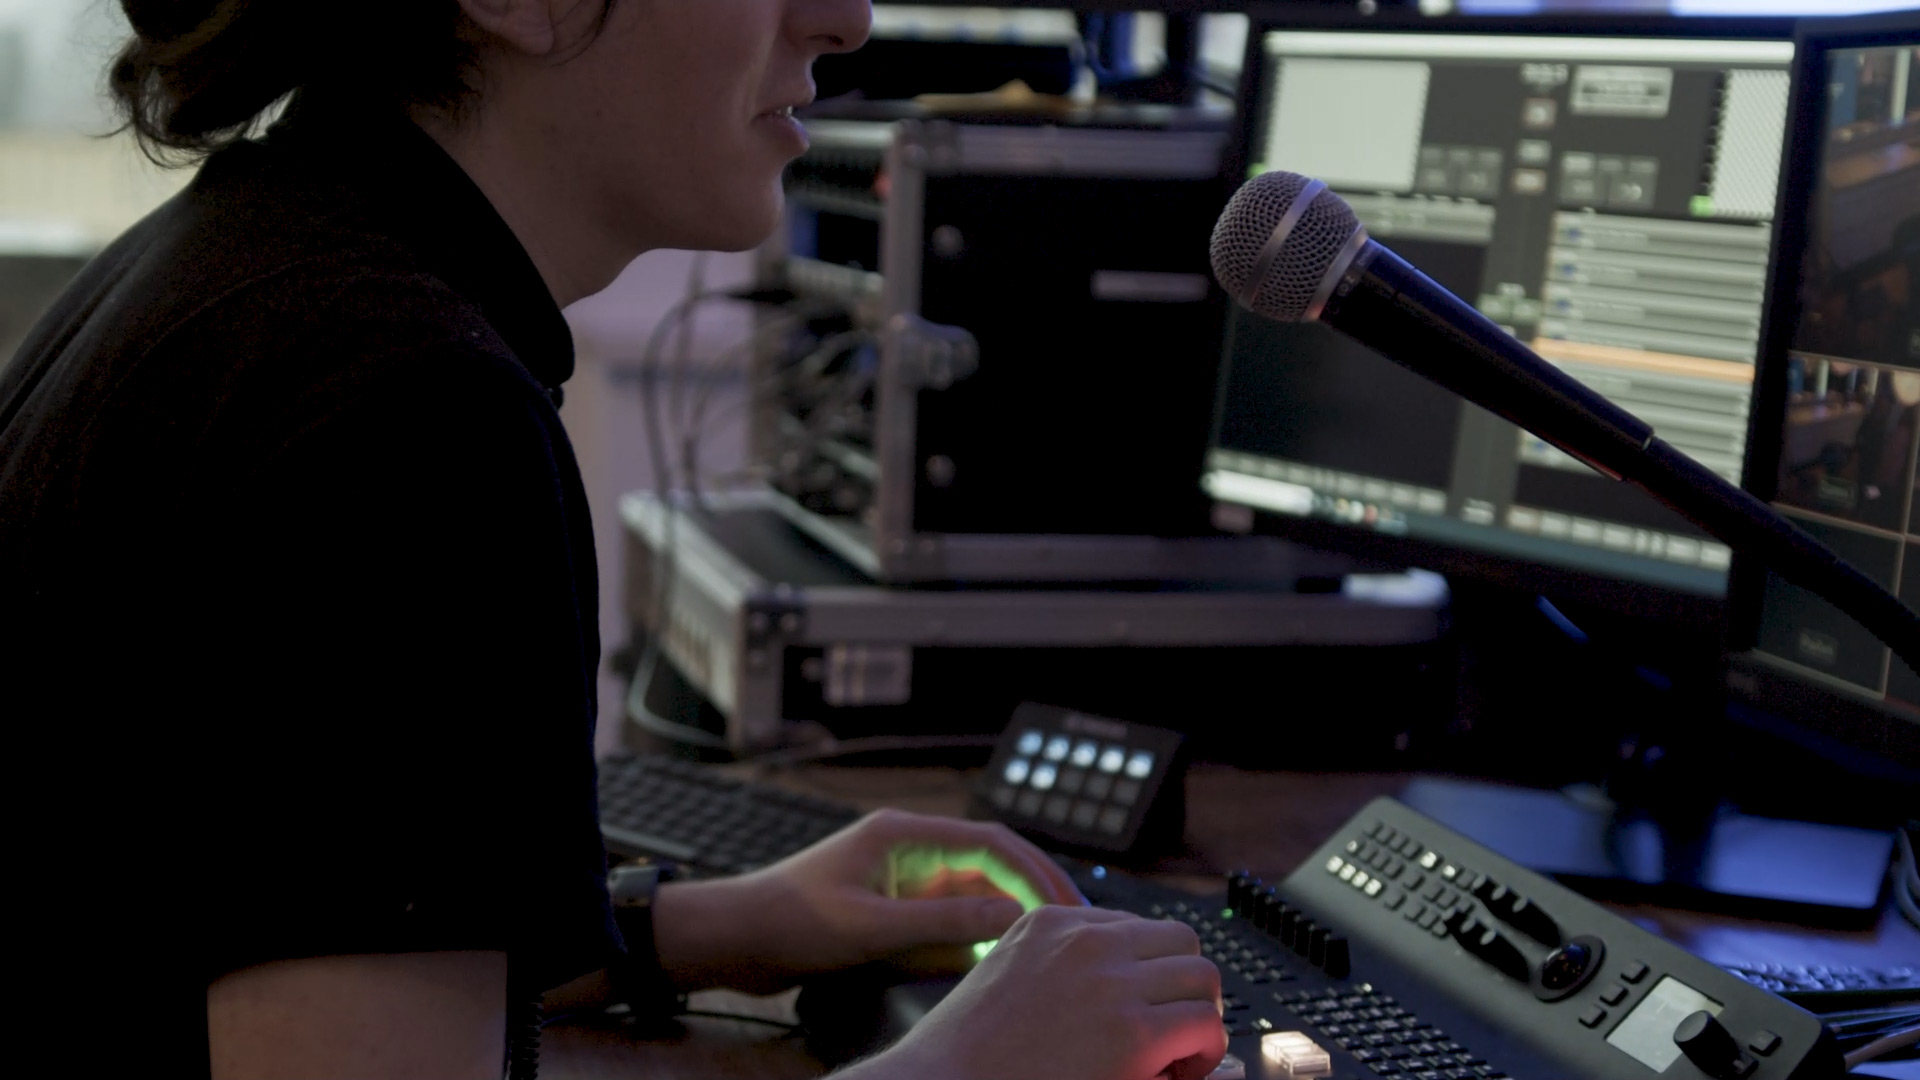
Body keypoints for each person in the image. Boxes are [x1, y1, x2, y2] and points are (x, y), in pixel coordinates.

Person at [0, 3, 1228, 1078]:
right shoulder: (400, 409)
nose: (846, 16)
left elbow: (275, 920)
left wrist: (721, 923)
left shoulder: (258, 260)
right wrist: (974, 1064)